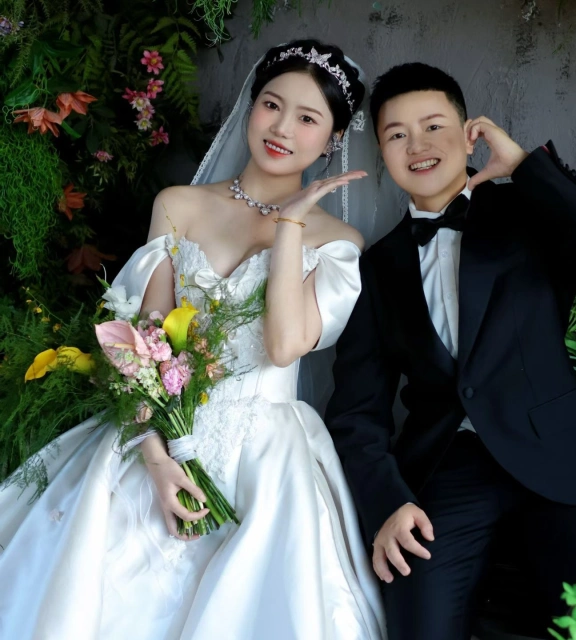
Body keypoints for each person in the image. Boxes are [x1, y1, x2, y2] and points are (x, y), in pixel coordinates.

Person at [0, 39, 386, 640]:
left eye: (307, 118)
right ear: (251, 107)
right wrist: (156, 459)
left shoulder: (338, 241)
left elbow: (284, 346)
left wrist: (290, 226)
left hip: (264, 455)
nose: (281, 128)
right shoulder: (178, 204)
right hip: (157, 431)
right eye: (271, 104)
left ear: (334, 137)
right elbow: (144, 343)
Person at [325, 62, 576, 639]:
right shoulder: (376, 267)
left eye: (433, 127)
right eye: (397, 134)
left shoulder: (529, 212)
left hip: (561, 462)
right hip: (447, 467)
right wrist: (386, 503)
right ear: (383, 152)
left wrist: (523, 167)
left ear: (470, 133)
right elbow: (356, 411)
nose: (417, 146)